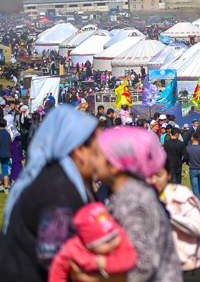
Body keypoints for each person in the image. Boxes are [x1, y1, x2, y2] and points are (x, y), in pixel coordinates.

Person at [0, 106, 99, 281]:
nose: (102, 157)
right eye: (96, 150)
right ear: (79, 151)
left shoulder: (67, 179)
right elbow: (54, 258)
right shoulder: (58, 191)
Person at [92, 125, 182, 281]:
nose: (92, 160)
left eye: (98, 155)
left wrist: (90, 276)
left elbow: (141, 266)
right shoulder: (124, 192)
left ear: (114, 166)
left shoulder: (134, 202)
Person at [147, 163, 200, 282]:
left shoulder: (181, 195)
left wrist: (168, 214)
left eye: (158, 175)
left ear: (169, 175)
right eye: (149, 176)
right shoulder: (143, 198)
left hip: (190, 269)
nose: (153, 180)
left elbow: (198, 227)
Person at [48, 202, 137, 282]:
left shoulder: (120, 237)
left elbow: (130, 259)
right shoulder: (74, 248)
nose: (113, 242)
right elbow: (58, 268)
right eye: (106, 241)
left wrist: (102, 263)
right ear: (89, 245)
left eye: (114, 236)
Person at [186, 133, 200, 204]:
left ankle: (199, 203)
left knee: (195, 188)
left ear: (192, 138)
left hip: (193, 169)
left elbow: (185, 158)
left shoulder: (188, 148)